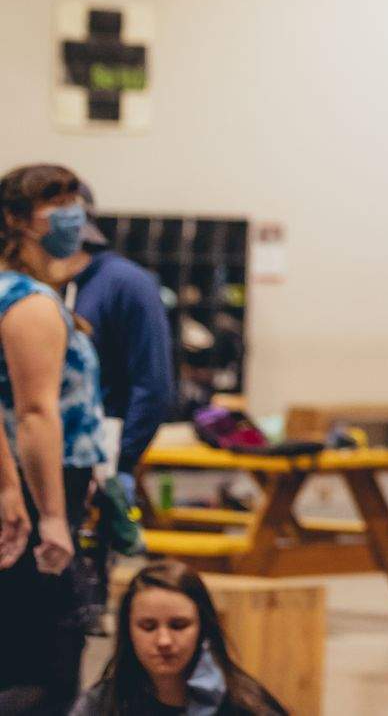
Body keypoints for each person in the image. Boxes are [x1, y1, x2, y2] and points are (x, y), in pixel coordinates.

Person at [0, 164, 109, 712]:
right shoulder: (28, 303)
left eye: (74, 197)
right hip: (37, 484)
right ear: (16, 219)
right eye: (53, 201)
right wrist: (52, 516)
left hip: (37, 481)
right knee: (45, 660)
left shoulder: (35, 294)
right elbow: (36, 413)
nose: (70, 210)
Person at [50, 183, 176, 490]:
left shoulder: (125, 283)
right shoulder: (45, 286)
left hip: (103, 456)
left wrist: (122, 462)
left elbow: (153, 384)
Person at [71, 560, 286, 715]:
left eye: (179, 625)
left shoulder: (248, 707)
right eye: (148, 626)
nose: (164, 640)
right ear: (128, 631)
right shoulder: (99, 706)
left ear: (203, 628)